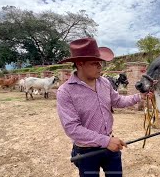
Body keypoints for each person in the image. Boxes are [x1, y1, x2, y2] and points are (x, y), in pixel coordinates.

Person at [56, 37, 143, 177]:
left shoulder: (104, 83)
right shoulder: (65, 92)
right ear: (79, 63)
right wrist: (106, 141)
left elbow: (117, 101)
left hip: (110, 146)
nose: (100, 66)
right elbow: (72, 128)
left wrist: (140, 97)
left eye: (100, 62)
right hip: (86, 151)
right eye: (95, 63)